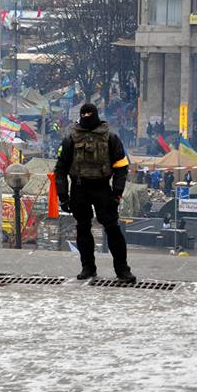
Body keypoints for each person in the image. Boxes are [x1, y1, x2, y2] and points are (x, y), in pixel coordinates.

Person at [54, 103, 136, 283]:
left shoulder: (111, 138)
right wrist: (63, 196)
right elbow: (60, 169)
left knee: (113, 229)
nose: (87, 116)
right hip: (79, 188)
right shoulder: (71, 140)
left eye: (89, 114)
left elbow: (121, 167)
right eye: (84, 114)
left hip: (102, 189)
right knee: (83, 229)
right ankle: (88, 267)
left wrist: (117, 193)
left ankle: (122, 270)